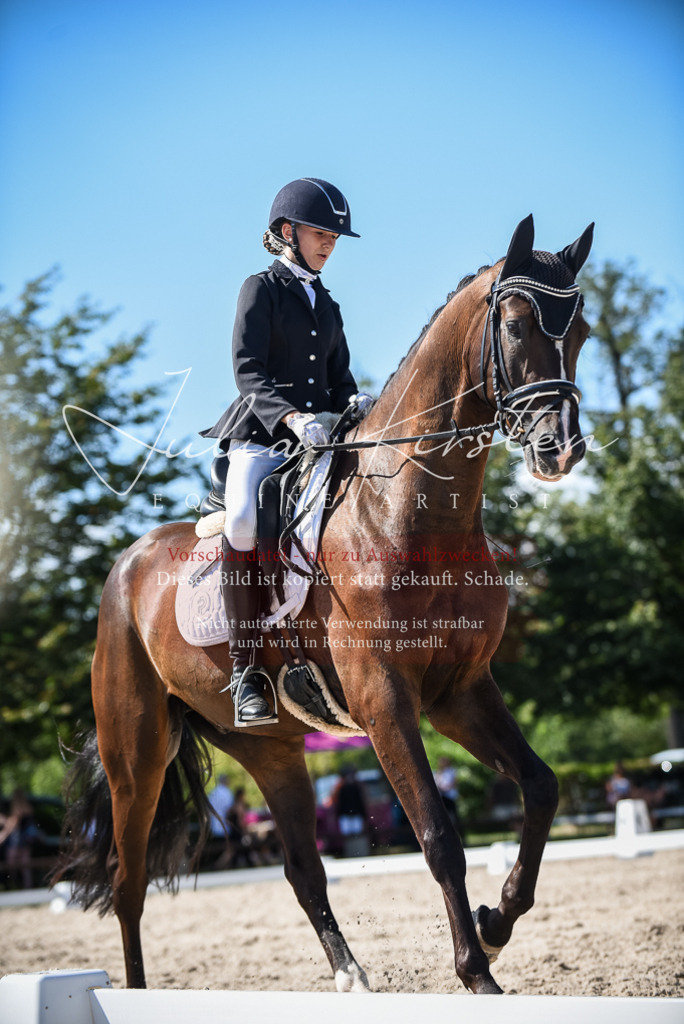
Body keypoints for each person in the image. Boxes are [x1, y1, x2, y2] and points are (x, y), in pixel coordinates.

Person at [200, 178, 373, 725]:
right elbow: (248, 370)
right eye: (322, 232)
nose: (330, 243)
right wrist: (292, 418)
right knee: (245, 520)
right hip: (262, 436)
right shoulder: (261, 289)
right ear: (286, 232)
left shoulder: (329, 304)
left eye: (335, 236)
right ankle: (245, 669)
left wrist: (359, 405)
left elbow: (339, 379)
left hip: (320, 439)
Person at [0, 787, 37, 889]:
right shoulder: (29, 809)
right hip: (24, 844)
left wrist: (5, 821)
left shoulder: (15, 811)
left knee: (12, 868)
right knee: (25, 868)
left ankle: (14, 886)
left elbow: (11, 827)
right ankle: (26, 887)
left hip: (15, 844)